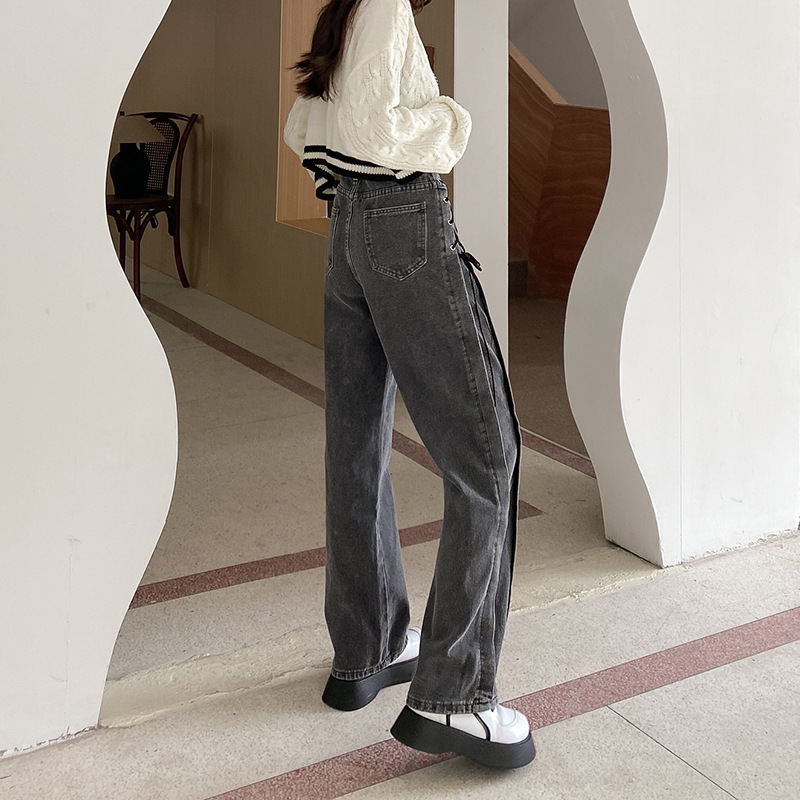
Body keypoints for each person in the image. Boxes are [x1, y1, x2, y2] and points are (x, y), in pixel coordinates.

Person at [284, 0, 535, 770]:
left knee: (357, 441)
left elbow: (305, 128)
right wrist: (451, 119)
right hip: (402, 218)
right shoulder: (385, 4)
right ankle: (453, 697)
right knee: (488, 458)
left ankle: (369, 648)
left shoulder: (348, 8)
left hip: (351, 225)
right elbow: (372, 131)